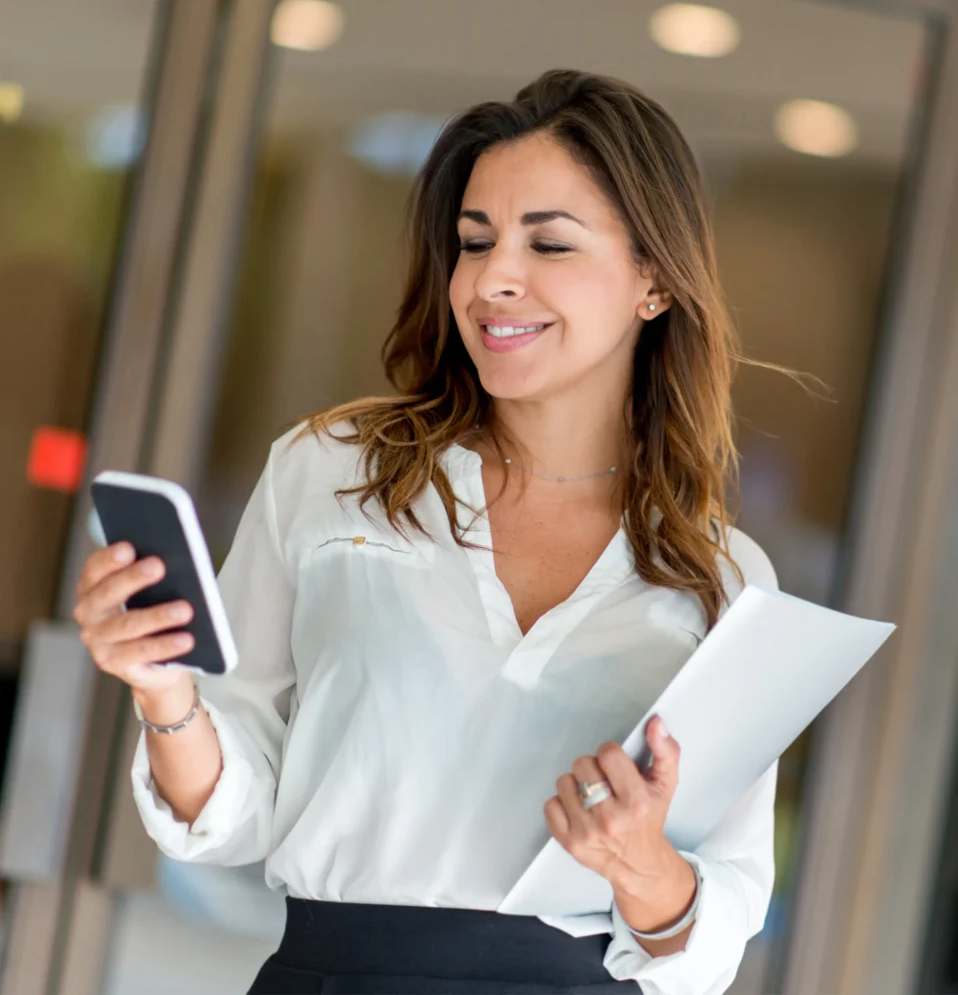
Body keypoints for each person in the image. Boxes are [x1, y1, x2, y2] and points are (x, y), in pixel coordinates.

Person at [74, 69, 781, 994]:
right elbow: (230, 814)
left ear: (653, 280)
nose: (494, 280)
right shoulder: (331, 471)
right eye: (474, 241)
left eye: (549, 244)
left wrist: (641, 862)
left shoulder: (721, 577)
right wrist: (163, 691)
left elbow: (717, 925)